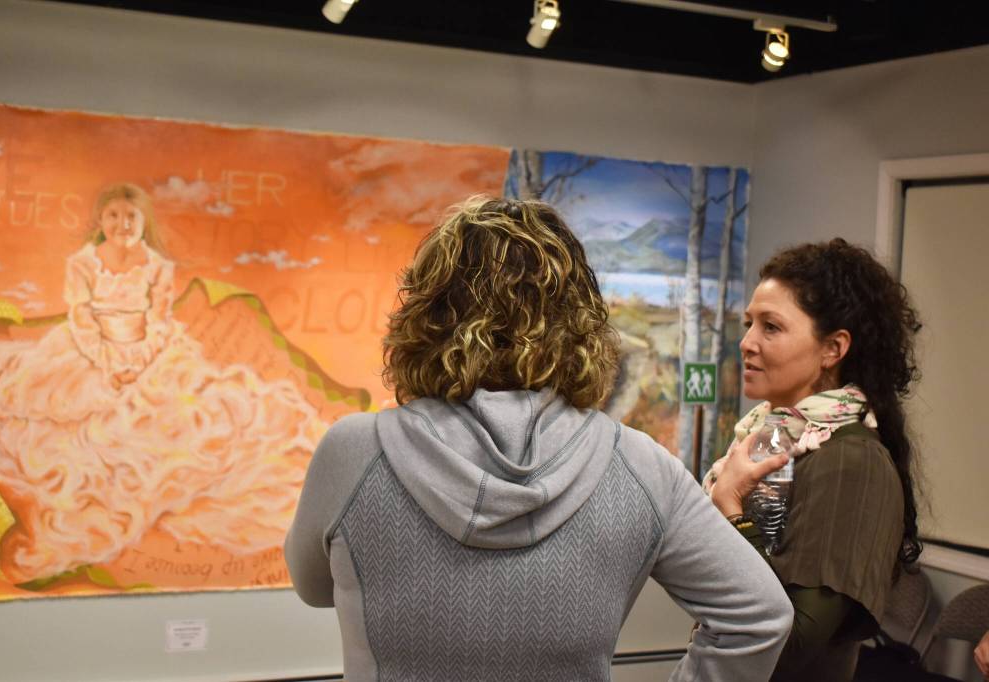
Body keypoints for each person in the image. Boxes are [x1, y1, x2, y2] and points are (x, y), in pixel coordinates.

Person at [285, 196, 793, 681]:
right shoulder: (639, 466)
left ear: (426, 316)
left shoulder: (354, 452)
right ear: (581, 323)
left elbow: (313, 587)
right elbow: (759, 618)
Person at [0, 182, 324, 583]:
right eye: (113, 216)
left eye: (130, 217)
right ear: (101, 221)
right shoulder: (85, 264)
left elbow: (158, 318)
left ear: (143, 222)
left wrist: (139, 359)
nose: (122, 224)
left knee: (183, 419)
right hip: (88, 348)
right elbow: (82, 316)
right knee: (58, 415)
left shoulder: (156, 267)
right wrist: (106, 359)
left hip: (147, 349)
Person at [704, 238, 923, 681]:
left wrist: (729, 506)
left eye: (771, 327)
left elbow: (792, 641)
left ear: (833, 349)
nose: (745, 342)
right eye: (749, 324)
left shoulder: (851, 463)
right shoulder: (767, 440)